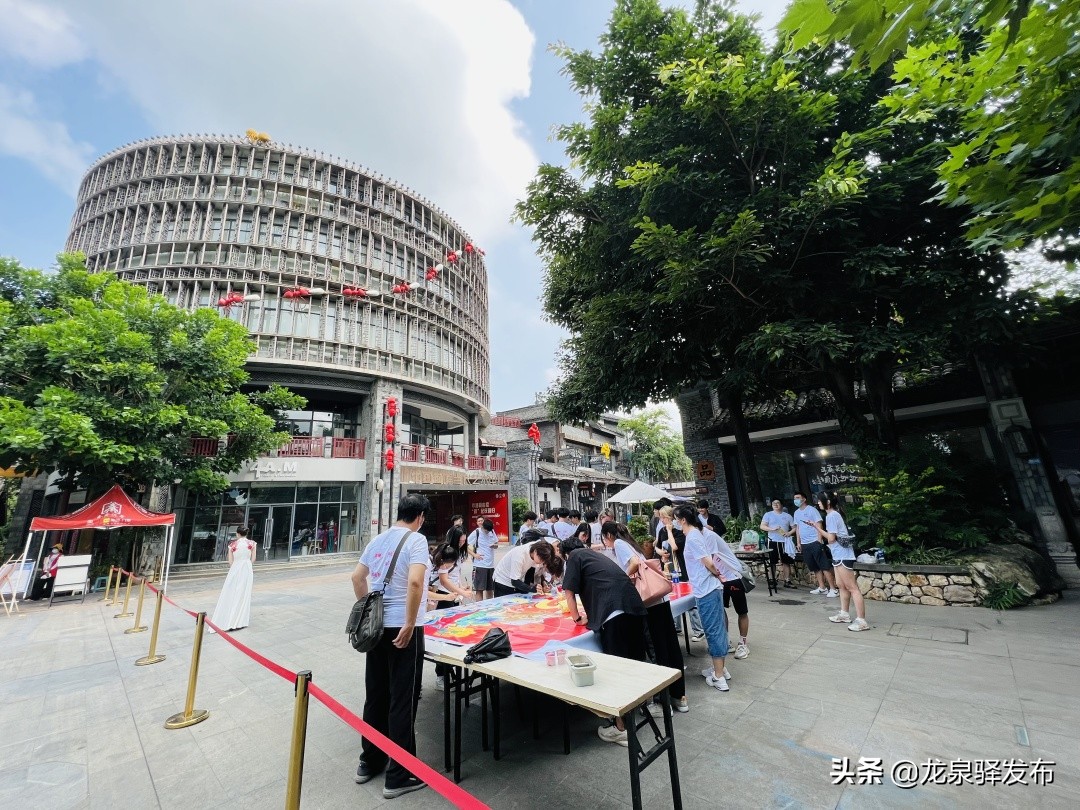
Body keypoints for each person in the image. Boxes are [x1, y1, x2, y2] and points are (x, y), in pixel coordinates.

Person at [351, 494, 431, 799]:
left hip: (377, 627)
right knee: (403, 698)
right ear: (420, 516)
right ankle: (399, 774)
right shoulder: (416, 541)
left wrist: (367, 610)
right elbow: (415, 583)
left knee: (376, 694)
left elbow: (358, 578)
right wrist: (410, 622)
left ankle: (369, 761)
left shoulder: (378, 539)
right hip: (403, 628)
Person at [552, 536, 648, 746]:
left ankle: (621, 729)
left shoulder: (575, 556)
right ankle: (639, 709)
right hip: (634, 607)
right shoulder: (594, 555)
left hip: (613, 613)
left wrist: (577, 618)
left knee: (617, 668)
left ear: (565, 552)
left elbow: (569, 591)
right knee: (634, 662)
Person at [603, 522, 689, 713]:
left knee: (657, 650)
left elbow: (634, 564)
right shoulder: (630, 542)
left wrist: (623, 581)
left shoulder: (618, 544)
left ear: (608, 534)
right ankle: (679, 696)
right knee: (670, 646)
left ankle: (662, 703)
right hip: (661, 599)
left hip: (649, 603)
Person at [674, 506, 737, 692]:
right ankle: (720, 669)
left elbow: (708, 562)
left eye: (677, 519)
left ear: (683, 520)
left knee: (712, 630)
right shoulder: (695, 535)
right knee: (716, 627)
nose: (676, 522)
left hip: (707, 589)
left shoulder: (693, 537)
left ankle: (718, 677)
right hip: (707, 588)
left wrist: (718, 575)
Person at [811, 492, 869, 631]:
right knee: (841, 585)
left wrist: (817, 528)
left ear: (828, 502)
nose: (818, 503)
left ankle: (861, 621)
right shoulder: (833, 514)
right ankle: (844, 614)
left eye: (820, 501)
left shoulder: (832, 515)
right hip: (839, 554)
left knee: (852, 587)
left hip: (843, 555)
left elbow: (831, 538)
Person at [656, 506, 705, 642]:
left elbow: (675, 546)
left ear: (669, 517)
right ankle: (676, 626)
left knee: (688, 598)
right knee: (673, 597)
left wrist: (670, 531)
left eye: (662, 517)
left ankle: (698, 629)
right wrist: (660, 553)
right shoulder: (661, 531)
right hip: (668, 568)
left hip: (681, 568)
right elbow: (658, 546)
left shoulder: (679, 531)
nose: (661, 519)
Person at [703, 524, 751, 660]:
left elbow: (708, 560)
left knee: (741, 611)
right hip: (719, 579)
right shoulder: (698, 536)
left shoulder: (709, 536)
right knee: (720, 610)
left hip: (732, 577)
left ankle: (743, 643)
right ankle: (725, 641)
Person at [209, 528, 257, 631]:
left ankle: (228, 617)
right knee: (244, 592)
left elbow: (230, 560)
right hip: (247, 568)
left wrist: (234, 568)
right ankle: (241, 620)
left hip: (235, 568)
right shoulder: (252, 543)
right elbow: (253, 558)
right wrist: (248, 565)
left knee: (231, 592)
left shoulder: (232, 545)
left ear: (238, 534)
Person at [794, 491, 837, 597]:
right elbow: (797, 528)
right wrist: (798, 542)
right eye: (794, 498)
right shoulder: (796, 513)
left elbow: (819, 524)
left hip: (814, 541)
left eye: (798, 497)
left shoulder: (812, 510)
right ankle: (822, 587)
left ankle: (833, 589)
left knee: (824, 565)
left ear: (804, 499)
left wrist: (819, 540)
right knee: (814, 566)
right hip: (805, 543)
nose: (796, 500)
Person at [493, 529, 544, 596]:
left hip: (516, 581)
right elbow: (514, 581)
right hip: (502, 581)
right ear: (535, 552)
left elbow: (529, 575)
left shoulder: (537, 551)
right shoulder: (519, 554)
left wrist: (531, 589)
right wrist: (531, 589)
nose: (541, 562)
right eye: (541, 559)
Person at [760, 499, 797, 588]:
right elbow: (762, 526)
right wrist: (771, 529)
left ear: (781, 505)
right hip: (772, 540)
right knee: (772, 561)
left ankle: (787, 580)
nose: (776, 505)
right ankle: (772, 580)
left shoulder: (788, 516)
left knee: (786, 561)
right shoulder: (768, 515)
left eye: (777, 503)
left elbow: (794, 527)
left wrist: (789, 533)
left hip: (785, 541)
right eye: (773, 503)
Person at [468, 518, 499, 600]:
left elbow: (496, 544)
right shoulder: (476, 532)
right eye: (486, 531)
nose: (487, 532)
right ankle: (479, 607)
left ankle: (489, 606)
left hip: (490, 565)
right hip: (479, 565)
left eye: (489, 531)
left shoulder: (491, 531)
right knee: (479, 589)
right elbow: (465, 545)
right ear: (482, 527)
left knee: (490, 589)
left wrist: (494, 546)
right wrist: (474, 555)